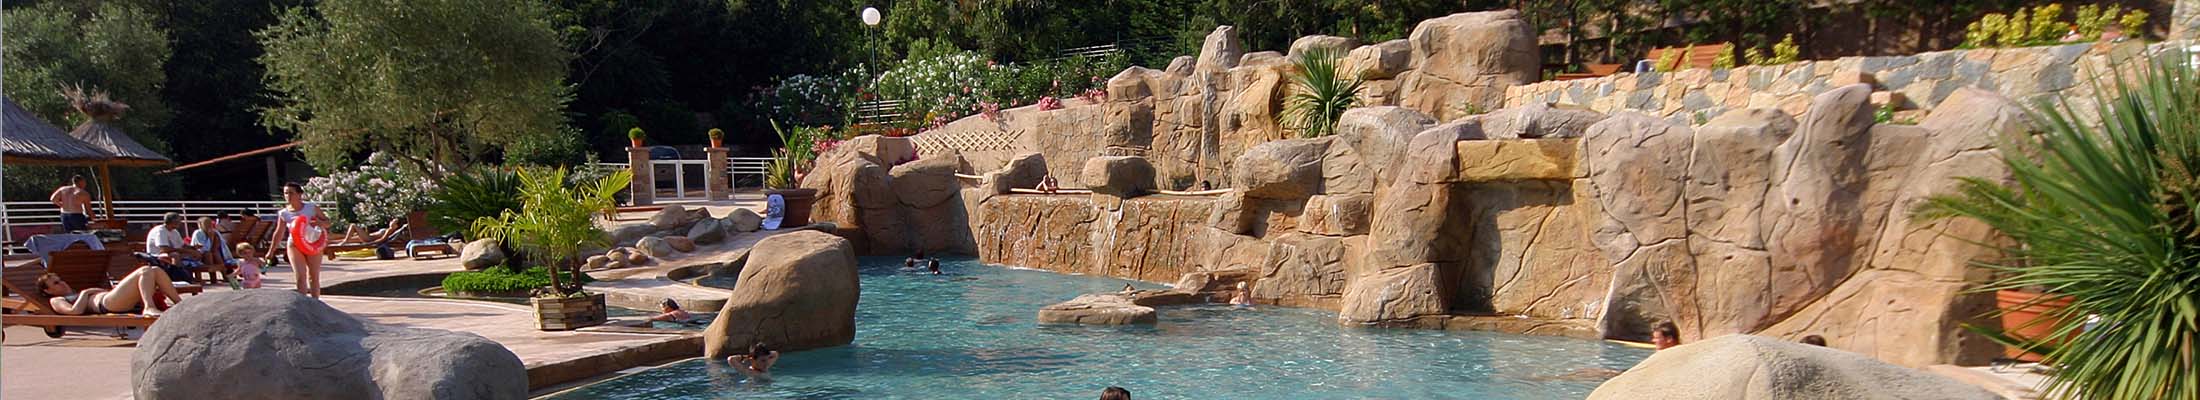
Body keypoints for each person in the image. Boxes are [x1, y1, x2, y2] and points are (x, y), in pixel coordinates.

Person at [35, 266, 185, 316]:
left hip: (111, 298)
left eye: (60, 279)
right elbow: (74, 312)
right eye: (56, 283)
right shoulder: (56, 300)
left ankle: (181, 304)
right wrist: (85, 293)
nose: (62, 283)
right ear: (48, 291)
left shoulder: (74, 292)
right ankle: (148, 307)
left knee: (156, 270)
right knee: (145, 270)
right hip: (106, 304)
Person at [275, 182, 328, 298]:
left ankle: (315, 303)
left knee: (313, 276)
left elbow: (328, 223)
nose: (288, 196)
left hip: (313, 242)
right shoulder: (283, 213)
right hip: (294, 245)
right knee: (300, 276)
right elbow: (279, 232)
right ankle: (302, 303)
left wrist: (319, 223)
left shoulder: (311, 208)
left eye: (291, 193)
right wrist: (271, 251)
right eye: (286, 193)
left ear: (299, 194)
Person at [145, 212, 205, 282]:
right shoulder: (160, 231)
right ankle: (177, 278)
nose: (180, 223)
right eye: (179, 221)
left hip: (171, 253)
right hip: (156, 255)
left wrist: (193, 248)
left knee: (196, 253)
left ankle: (189, 277)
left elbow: (182, 245)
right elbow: (164, 249)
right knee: (175, 255)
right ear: (173, 222)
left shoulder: (174, 231)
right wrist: (187, 251)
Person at [191, 216, 234, 280]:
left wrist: (212, 242)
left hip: (213, 252)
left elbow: (219, 246)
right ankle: (215, 277)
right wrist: (210, 238)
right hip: (200, 254)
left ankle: (225, 275)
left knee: (215, 253)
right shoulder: (198, 233)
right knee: (209, 254)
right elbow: (203, 248)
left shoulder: (215, 233)